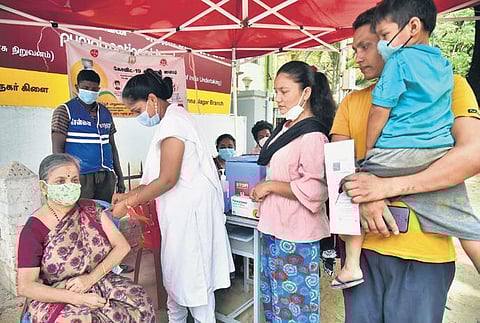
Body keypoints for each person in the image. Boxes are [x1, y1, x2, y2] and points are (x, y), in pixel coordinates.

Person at [331, 7, 480, 322]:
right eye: (354, 48)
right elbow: (336, 168)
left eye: (368, 45)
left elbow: (473, 155)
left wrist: (383, 188)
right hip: (363, 253)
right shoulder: (352, 102)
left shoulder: (449, 84)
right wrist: (364, 197)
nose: (358, 55)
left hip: (424, 255)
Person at [112, 69, 234, 322]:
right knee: (177, 280)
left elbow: (168, 178)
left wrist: (129, 203)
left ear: (152, 99)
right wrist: (126, 196)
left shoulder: (175, 124)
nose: (138, 117)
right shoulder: (173, 120)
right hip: (180, 217)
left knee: (195, 285)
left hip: (190, 218)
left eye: (136, 111)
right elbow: (156, 178)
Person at [17, 153, 155, 322]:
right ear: (44, 187)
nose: (69, 185)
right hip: (57, 294)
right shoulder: (34, 229)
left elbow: (122, 246)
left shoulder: (92, 210)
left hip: (101, 280)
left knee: (140, 302)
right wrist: (77, 298)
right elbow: (26, 286)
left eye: (74, 180)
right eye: (60, 181)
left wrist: (90, 279)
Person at [250, 61, 335, 322]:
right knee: (274, 299)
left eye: (284, 92)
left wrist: (270, 186)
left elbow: (316, 188)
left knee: (296, 306)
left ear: (306, 93)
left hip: (296, 233)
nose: (278, 99)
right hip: (274, 227)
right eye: (275, 91)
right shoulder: (285, 128)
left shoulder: (312, 135)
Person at [51, 69, 125, 203]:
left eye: (94, 89)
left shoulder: (105, 113)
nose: (90, 92)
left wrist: (120, 175)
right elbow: (57, 151)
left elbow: (112, 146)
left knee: (103, 214)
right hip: (80, 177)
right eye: (86, 88)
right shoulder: (64, 111)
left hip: (106, 175)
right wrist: (64, 179)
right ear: (77, 87)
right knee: (81, 217)